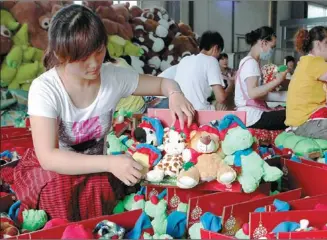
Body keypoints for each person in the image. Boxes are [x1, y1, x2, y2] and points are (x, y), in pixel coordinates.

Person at [0, 5, 195, 222]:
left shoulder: (112, 77)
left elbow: (164, 84)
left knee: (138, 177)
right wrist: (110, 163)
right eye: (83, 58)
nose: (94, 64)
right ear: (60, 54)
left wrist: (175, 93)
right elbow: (48, 157)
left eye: (99, 51)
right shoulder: (45, 88)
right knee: (62, 192)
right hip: (58, 173)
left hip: (97, 169)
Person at [235, 26, 288, 130]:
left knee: (287, 111)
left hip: (249, 113)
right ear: (263, 43)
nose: (272, 50)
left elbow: (257, 94)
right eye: (272, 47)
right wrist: (277, 81)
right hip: (252, 116)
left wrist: (282, 95)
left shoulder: (248, 61)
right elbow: (253, 93)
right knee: (294, 114)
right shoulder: (251, 63)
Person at [166, 31, 234, 110]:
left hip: (180, 110)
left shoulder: (185, 60)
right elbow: (221, 98)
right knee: (224, 104)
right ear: (215, 48)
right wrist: (231, 85)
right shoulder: (211, 60)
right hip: (199, 112)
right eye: (219, 52)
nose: (218, 56)